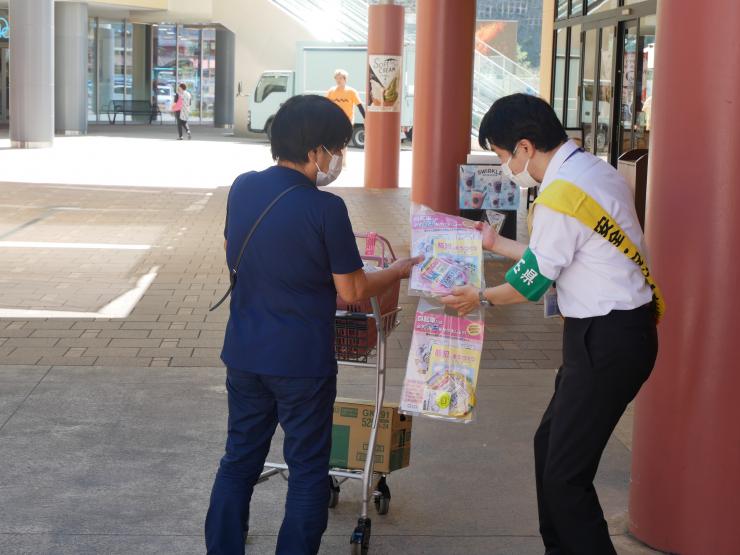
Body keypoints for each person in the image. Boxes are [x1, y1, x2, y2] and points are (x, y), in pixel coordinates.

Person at [439, 93, 661, 555]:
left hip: (608, 339)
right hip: (607, 335)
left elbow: (533, 282)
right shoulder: (590, 171)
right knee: (549, 447)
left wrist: (480, 297)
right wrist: (495, 243)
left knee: (565, 476)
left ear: (524, 146)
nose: (505, 168)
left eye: (502, 156)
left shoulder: (561, 194)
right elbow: (551, 259)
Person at [205, 94, 420, 555]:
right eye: (338, 148)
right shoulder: (326, 209)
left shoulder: (242, 186)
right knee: (306, 471)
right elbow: (353, 290)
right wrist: (398, 270)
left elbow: (231, 247)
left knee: (239, 461)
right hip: (302, 362)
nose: (339, 158)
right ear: (316, 151)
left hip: (244, 352)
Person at [326, 69, 365, 165]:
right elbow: (326, 105)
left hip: (347, 121)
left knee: (343, 143)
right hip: (334, 121)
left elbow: (359, 105)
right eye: (336, 78)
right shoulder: (331, 91)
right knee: (333, 142)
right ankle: (333, 162)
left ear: (345, 79)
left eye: (340, 78)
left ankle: (343, 162)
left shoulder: (351, 92)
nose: (338, 80)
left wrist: (366, 117)